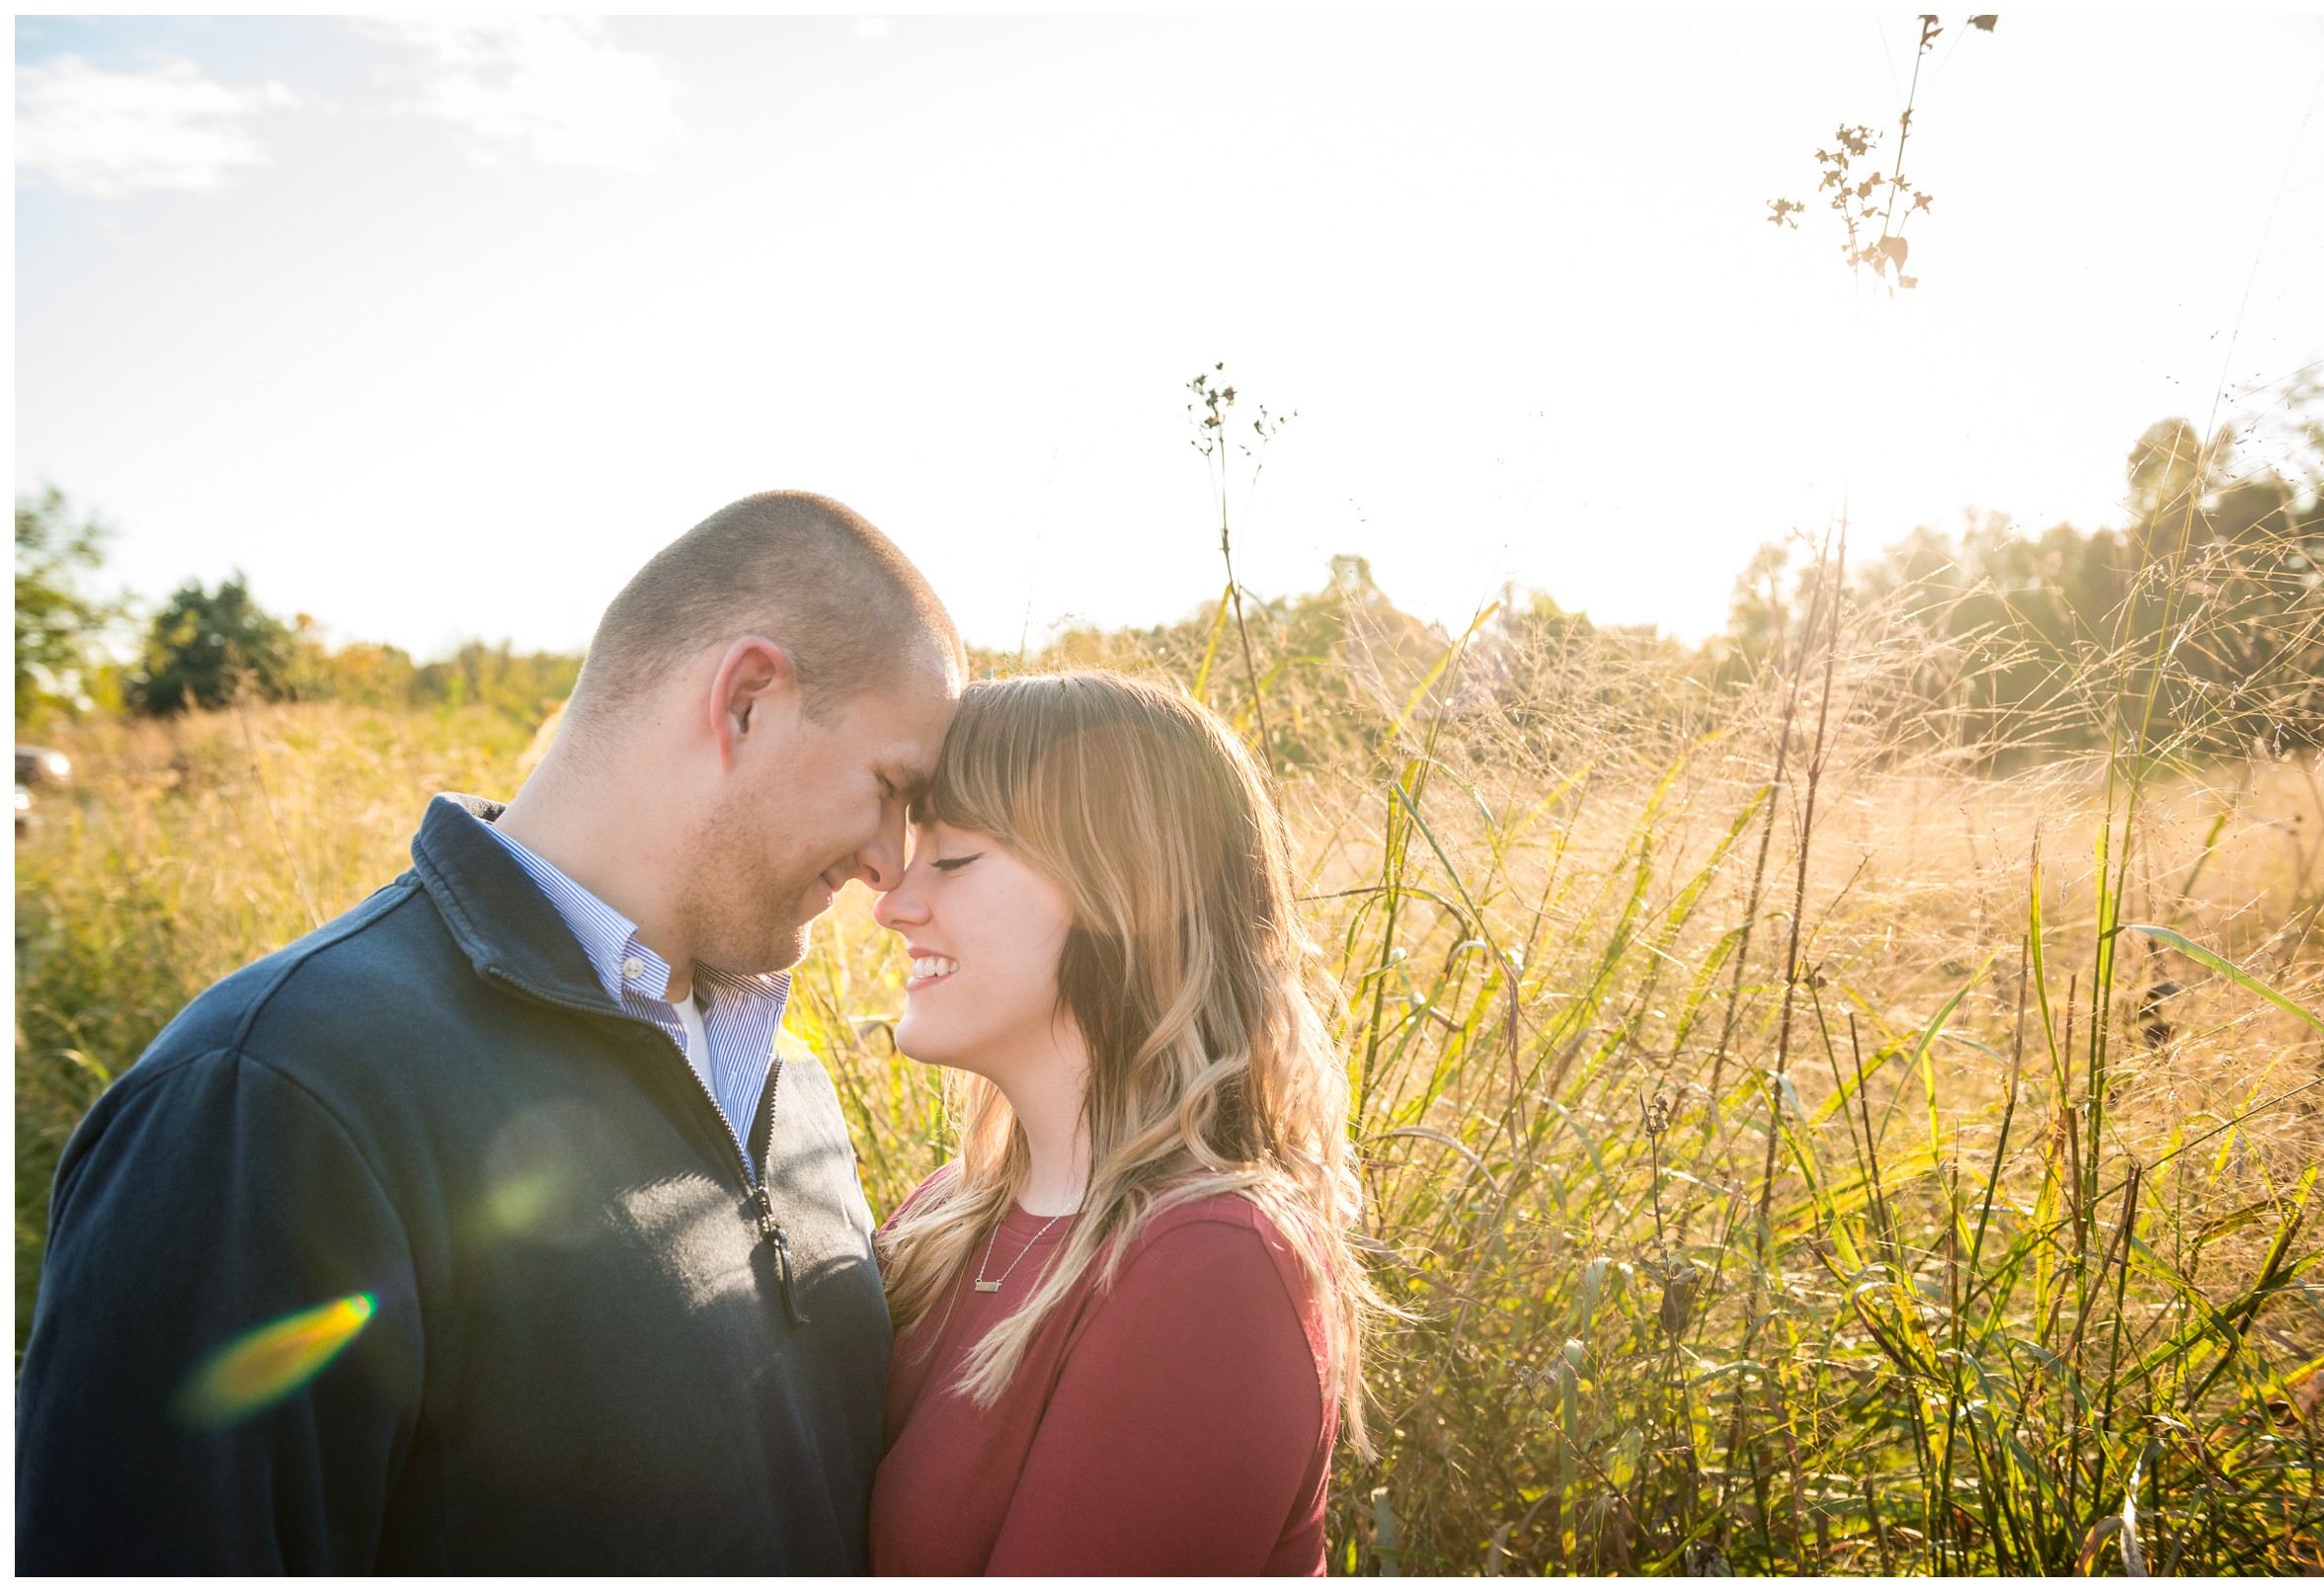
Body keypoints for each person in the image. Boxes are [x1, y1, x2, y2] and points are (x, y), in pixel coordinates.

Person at [15, 491, 964, 1573]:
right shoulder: (269, 1092)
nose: (893, 860)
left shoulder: (792, 1086)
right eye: (891, 788)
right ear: (745, 699)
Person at [866, 671, 1376, 1575]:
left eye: (950, 858)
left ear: (1124, 896)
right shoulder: (942, 1219)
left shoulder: (1212, 1265)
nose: (894, 903)